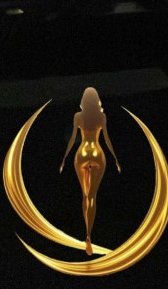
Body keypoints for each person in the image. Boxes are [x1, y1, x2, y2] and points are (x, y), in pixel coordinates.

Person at [59, 87, 120, 257]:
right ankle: (89, 235)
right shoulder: (101, 116)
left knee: (85, 196)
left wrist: (64, 158)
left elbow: (73, 138)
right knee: (93, 196)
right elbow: (106, 138)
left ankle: (87, 235)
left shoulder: (78, 116)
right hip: (97, 154)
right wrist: (115, 158)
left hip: (82, 153)